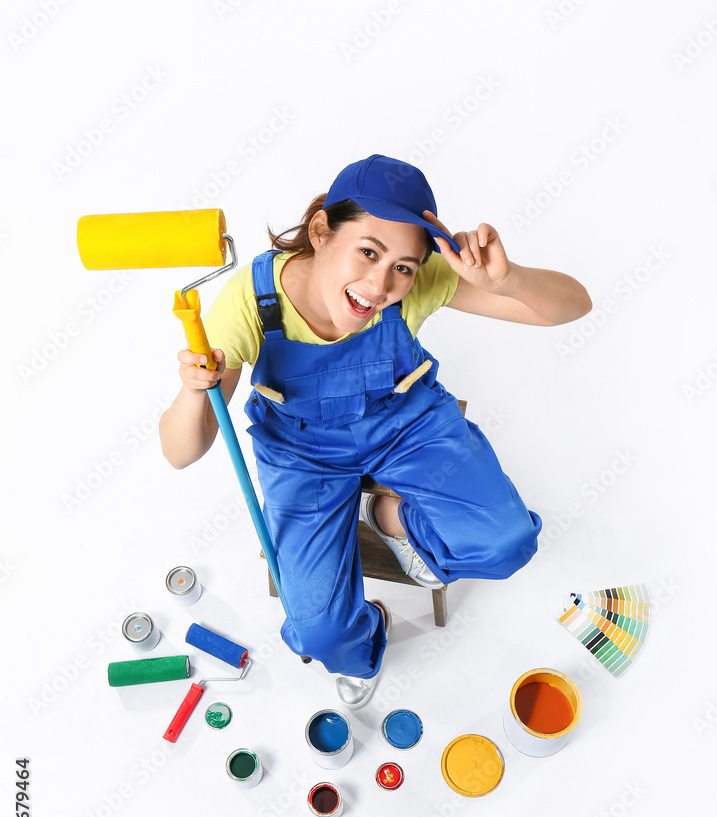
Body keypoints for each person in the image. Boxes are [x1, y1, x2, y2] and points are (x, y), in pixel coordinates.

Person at [159, 153, 592, 709]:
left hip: (403, 423)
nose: (380, 285)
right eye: (367, 251)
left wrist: (506, 279)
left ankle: (389, 516)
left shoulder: (418, 284)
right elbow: (180, 453)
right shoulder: (251, 300)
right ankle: (368, 632)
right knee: (320, 635)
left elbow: (572, 307)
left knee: (507, 542)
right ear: (320, 232)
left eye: (404, 267)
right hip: (303, 452)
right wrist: (197, 392)